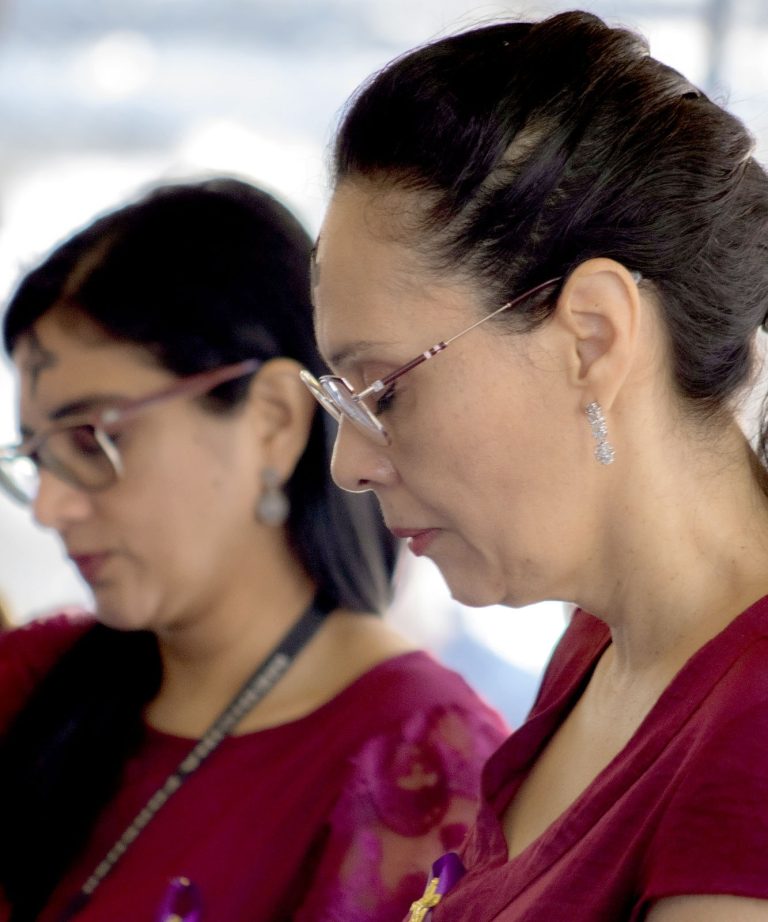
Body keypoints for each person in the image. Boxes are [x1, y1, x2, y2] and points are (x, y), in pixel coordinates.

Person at [300, 9, 768, 921]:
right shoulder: (601, 646)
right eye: (342, 401)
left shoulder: (749, 739)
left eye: (384, 392)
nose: (350, 466)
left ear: (592, 336)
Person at [0, 177, 508, 922]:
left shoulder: (420, 767)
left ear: (272, 419)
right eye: (37, 457)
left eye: (91, 439)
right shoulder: (34, 680)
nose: (50, 507)